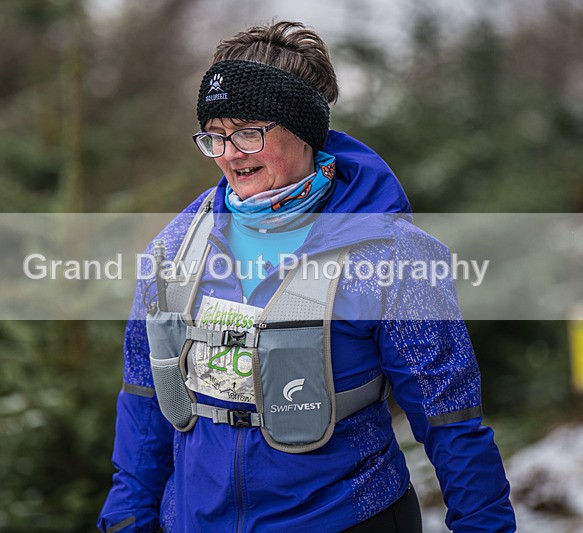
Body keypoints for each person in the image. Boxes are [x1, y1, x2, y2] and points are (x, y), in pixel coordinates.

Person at [98, 21, 516, 533]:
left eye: (249, 132)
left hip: (348, 520)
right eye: (216, 136)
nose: (230, 154)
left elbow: (450, 420)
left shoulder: (388, 255)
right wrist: (126, 522)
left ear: (304, 131)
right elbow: (144, 403)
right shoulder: (172, 251)